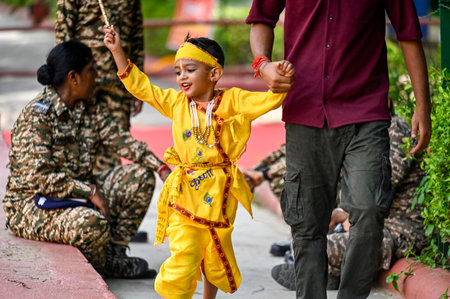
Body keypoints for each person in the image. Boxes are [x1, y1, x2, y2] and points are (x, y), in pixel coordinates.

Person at [246, 1, 432, 298]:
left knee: (368, 208)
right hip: (305, 109)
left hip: (366, 110)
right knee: (307, 221)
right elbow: (261, 18)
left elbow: (408, 32)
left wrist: (423, 105)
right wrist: (263, 64)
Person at [103, 25, 294, 298]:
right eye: (178, 71)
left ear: (214, 74)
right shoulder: (176, 102)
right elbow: (141, 87)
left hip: (220, 194)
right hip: (184, 192)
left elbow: (269, 100)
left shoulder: (233, 100)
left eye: (190, 70)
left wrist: (283, 77)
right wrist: (117, 51)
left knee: (213, 252)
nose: (182, 77)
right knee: (184, 250)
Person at [2, 41, 170, 279]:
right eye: (91, 70)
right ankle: (105, 264)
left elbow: (121, 140)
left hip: (76, 192)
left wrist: (161, 168)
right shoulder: (37, 116)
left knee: (140, 177)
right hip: (32, 205)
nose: (96, 77)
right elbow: (40, 179)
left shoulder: (86, 108)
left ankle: (113, 255)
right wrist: (89, 191)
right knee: (91, 224)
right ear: (74, 77)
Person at [244, 116, 427, 291]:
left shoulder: (396, 130)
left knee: (326, 248)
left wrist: (348, 215)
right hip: (368, 220)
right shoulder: (357, 130)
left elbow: (379, 185)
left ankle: (329, 274)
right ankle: (331, 273)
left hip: (400, 229)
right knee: (305, 242)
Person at [55, 0, 144, 174]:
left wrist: (138, 84)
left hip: (119, 79)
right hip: (83, 79)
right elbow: (63, 35)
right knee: (80, 140)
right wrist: (63, 82)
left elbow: (137, 36)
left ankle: (107, 196)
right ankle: (84, 195)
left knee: (116, 141)